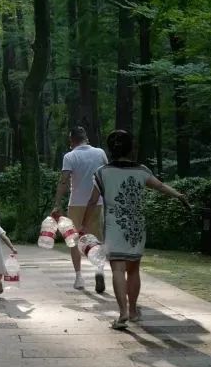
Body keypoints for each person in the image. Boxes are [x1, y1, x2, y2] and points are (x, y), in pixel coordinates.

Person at [78, 129, 190, 330]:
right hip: (136, 227)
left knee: (118, 269)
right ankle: (133, 311)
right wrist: (180, 196)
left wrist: (84, 224)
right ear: (131, 148)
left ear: (110, 149)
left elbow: (93, 201)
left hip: (114, 226)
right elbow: (162, 187)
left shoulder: (102, 173)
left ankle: (122, 314)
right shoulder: (142, 171)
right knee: (134, 269)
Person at [52, 126, 108, 292]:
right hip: (97, 202)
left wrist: (57, 203)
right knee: (96, 240)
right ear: (86, 138)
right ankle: (99, 271)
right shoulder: (100, 153)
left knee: (74, 241)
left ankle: (79, 277)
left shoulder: (70, 156)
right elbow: (107, 174)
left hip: (76, 203)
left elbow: (63, 181)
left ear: (71, 140)